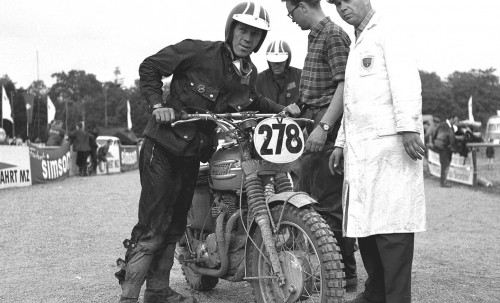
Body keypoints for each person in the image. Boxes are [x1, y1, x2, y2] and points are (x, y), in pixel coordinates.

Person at [115, 2, 300, 303]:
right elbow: (149, 67)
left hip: (191, 154)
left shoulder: (248, 72)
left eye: (256, 34)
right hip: (162, 147)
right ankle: (129, 295)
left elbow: (253, 100)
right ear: (231, 29)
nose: (248, 38)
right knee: (153, 224)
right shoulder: (199, 52)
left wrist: (283, 110)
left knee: (175, 225)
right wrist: (157, 105)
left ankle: (158, 291)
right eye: (243, 30)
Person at [327, 0, 427, 302]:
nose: (342, 8)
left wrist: (409, 125)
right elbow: (351, 103)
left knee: (392, 228)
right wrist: (341, 143)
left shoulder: (388, 31)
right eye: (336, 4)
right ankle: (376, 291)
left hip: (391, 148)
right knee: (365, 225)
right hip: (362, 153)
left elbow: (406, 79)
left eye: (346, 0)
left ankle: (395, 297)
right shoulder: (358, 41)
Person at [281, 0, 357, 292]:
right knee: (308, 198)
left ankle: (344, 274)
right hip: (310, 119)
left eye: (290, 13)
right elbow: (315, 88)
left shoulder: (334, 34)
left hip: (326, 123)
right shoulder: (315, 36)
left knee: (329, 205)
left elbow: (344, 85)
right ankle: (321, 271)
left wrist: (324, 128)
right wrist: (297, 106)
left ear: (302, 6)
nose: (291, 20)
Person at [255, 39, 302, 190]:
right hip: (266, 135)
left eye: (280, 62)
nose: (276, 65)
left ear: (288, 60)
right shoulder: (259, 79)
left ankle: (298, 198)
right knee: (263, 175)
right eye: (273, 61)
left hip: (294, 132)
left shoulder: (300, 75)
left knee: (299, 170)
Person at [431, 115, 458, 187]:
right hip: (443, 147)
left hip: (446, 147)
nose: (456, 122)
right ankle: (443, 182)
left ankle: (443, 180)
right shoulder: (444, 126)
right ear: (451, 118)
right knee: (445, 164)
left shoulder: (449, 126)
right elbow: (436, 134)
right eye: (455, 120)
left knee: (446, 164)